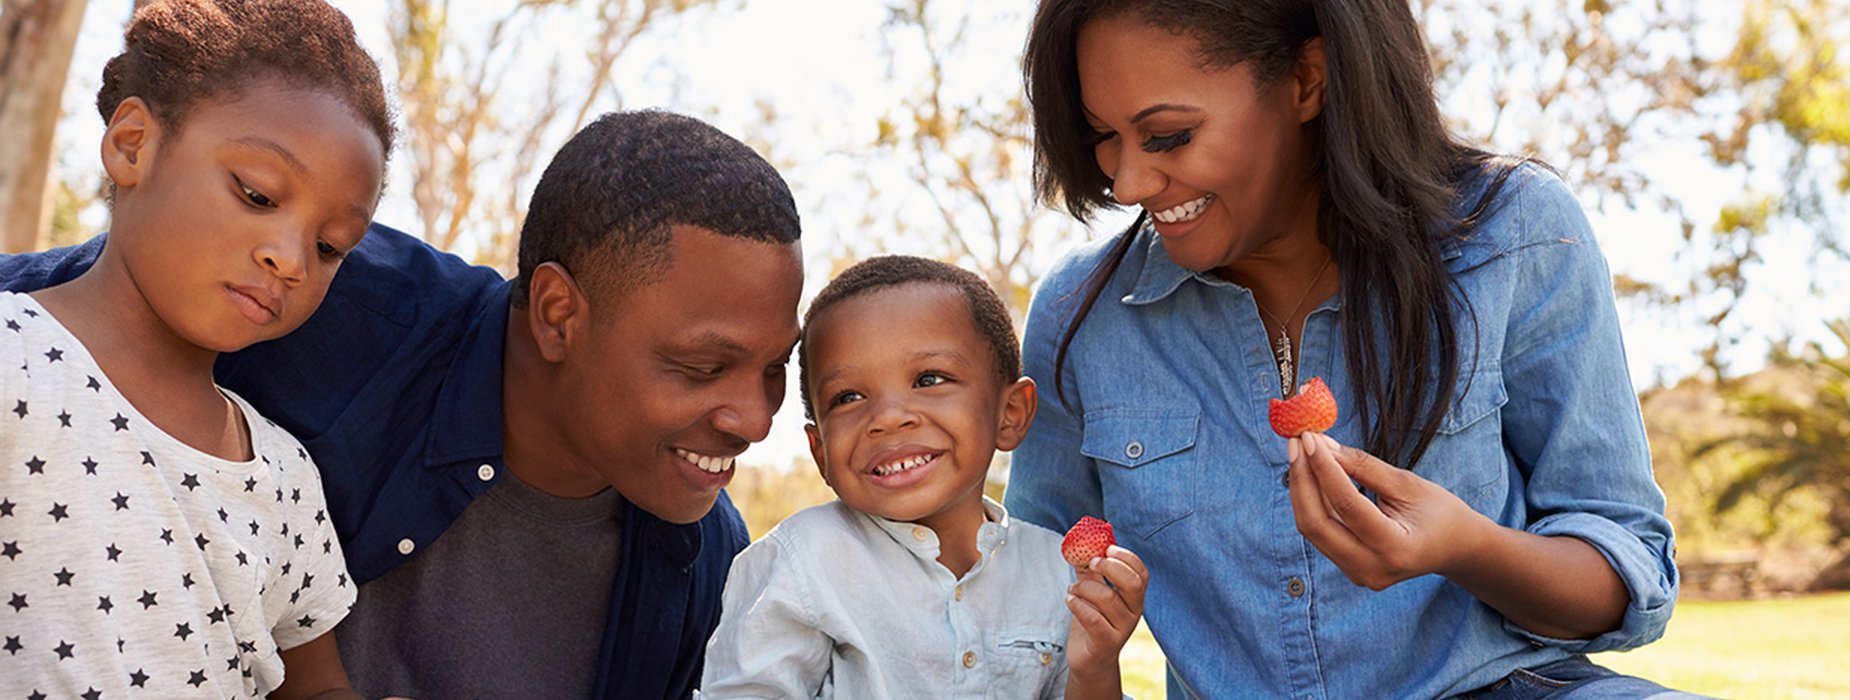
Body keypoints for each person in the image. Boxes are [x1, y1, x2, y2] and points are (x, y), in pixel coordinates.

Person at [1006, 1, 1688, 698]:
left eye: (1169, 136)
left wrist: (1466, 548)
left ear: (1307, 79)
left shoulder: (1512, 230)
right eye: (1103, 138)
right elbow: (1025, 606)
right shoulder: (1081, 312)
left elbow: (1627, 577)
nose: (1128, 185)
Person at [1, 105, 804, 696]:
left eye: (776, 369)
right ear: (559, 313)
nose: (755, 420)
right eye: (704, 366)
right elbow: (65, 306)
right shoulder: (327, 297)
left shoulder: (705, 564)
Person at [0, 0, 392, 697]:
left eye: (330, 246)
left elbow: (314, 684)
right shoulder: (14, 359)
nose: (291, 259)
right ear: (133, 145)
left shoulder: (283, 474)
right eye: (258, 194)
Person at [700, 256, 1148, 699]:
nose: (889, 418)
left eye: (929, 379)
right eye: (848, 396)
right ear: (821, 453)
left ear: (1009, 414)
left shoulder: (1057, 571)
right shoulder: (802, 562)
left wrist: (1094, 670)